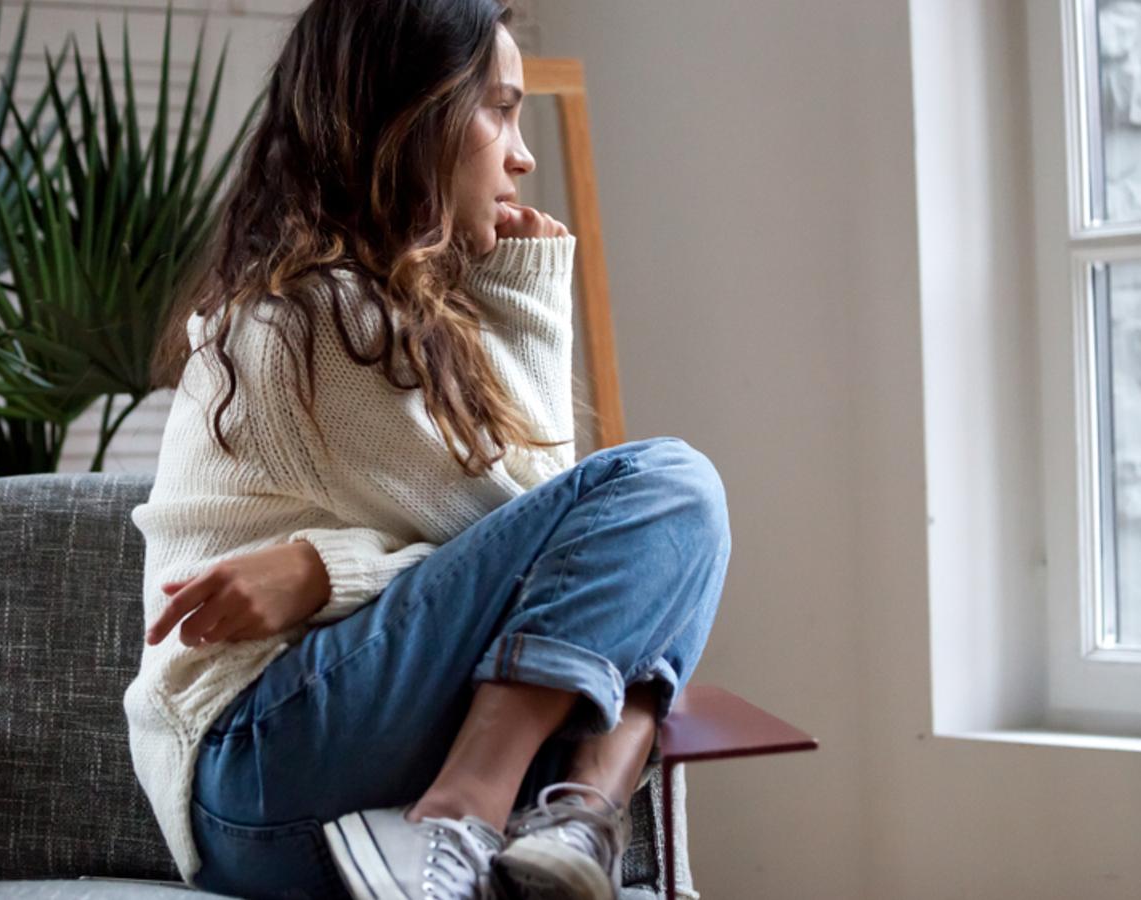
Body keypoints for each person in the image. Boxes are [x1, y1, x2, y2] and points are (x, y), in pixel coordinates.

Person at [126, 1, 731, 898]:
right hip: (260, 762)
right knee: (673, 490)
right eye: (500, 110)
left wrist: (325, 571)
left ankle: (572, 829)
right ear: (411, 116)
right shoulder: (313, 320)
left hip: (314, 784)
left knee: (640, 598)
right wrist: (529, 292)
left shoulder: (391, 313)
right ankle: (469, 810)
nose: (523, 157)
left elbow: (559, 567)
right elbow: (556, 532)